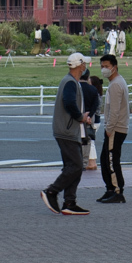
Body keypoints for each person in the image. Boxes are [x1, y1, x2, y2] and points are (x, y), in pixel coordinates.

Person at [40, 53, 94, 215]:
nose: (86, 67)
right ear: (80, 66)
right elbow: (69, 102)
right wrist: (80, 117)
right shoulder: (70, 83)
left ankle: (70, 202)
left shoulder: (71, 82)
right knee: (76, 165)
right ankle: (52, 191)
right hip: (67, 130)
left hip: (67, 130)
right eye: (85, 64)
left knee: (73, 166)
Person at [97, 53, 129, 204]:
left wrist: (109, 128)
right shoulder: (115, 82)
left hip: (116, 128)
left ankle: (117, 191)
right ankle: (110, 189)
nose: (104, 69)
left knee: (111, 160)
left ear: (114, 67)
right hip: (115, 127)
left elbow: (115, 110)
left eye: (107, 67)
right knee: (105, 159)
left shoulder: (116, 84)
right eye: (102, 66)